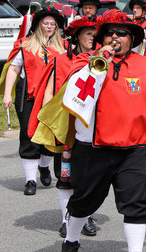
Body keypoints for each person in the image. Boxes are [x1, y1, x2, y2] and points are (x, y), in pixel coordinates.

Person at [57, 9, 146, 252]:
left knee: (136, 203)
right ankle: (70, 242)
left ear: (131, 38)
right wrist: (97, 63)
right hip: (93, 148)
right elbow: (72, 98)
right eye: (110, 33)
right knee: (83, 202)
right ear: (101, 38)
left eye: (122, 33)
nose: (115, 38)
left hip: (135, 148)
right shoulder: (84, 62)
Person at [30, 16, 100, 237]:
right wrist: (49, 123)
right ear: (77, 36)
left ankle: (85, 216)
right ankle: (66, 219)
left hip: (95, 129)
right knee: (65, 175)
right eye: (88, 33)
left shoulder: (105, 60)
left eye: (95, 34)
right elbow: (50, 92)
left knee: (89, 177)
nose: (92, 38)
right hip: (68, 127)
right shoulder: (61, 60)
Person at [0, 7, 67, 195]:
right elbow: (13, 70)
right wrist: (7, 94)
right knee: (28, 136)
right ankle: (30, 180)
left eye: (53, 24)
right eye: (46, 23)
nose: (49, 27)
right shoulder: (25, 45)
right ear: (38, 25)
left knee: (51, 136)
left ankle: (44, 166)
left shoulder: (62, 47)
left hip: (53, 98)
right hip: (28, 95)